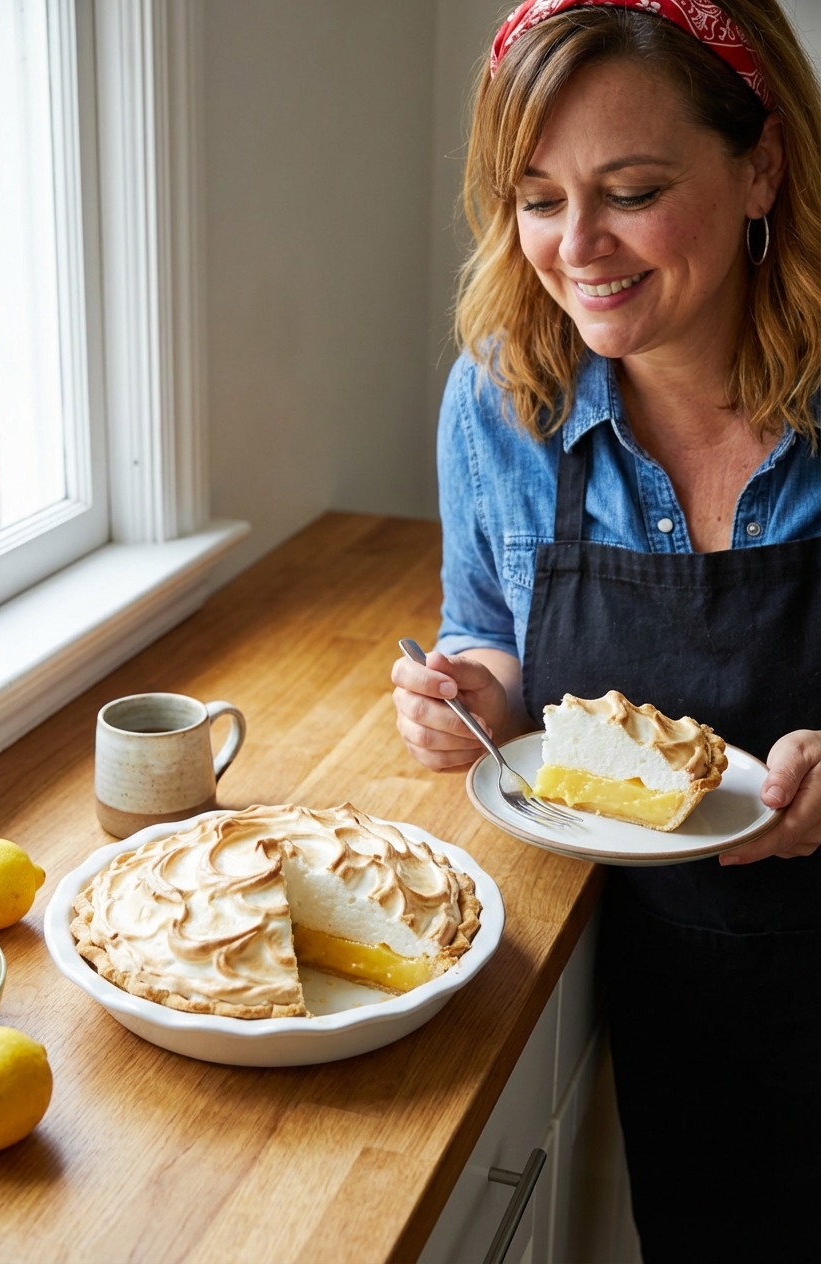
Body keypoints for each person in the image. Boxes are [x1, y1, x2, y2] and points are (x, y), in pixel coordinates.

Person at [391, 1, 820, 1259]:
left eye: (629, 191)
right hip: (671, 977)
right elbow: (490, 626)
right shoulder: (499, 402)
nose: (575, 247)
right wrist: (476, 690)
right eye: (536, 198)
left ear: (759, 167)